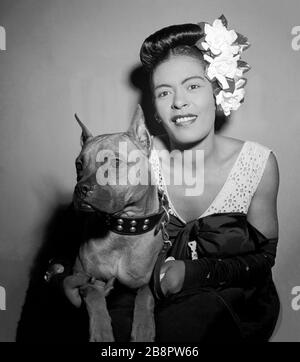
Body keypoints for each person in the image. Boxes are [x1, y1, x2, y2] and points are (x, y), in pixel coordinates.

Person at [22, 15, 280, 343]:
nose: (179, 101)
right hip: (148, 293)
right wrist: (58, 275)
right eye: (163, 92)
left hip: (230, 299)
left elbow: (264, 259)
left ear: (217, 89)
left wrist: (193, 272)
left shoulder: (257, 163)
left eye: (193, 85)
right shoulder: (137, 155)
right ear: (154, 110)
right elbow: (84, 232)